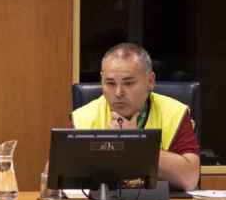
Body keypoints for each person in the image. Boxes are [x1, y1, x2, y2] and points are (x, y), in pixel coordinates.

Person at [71, 43, 200, 191]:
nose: (118, 92)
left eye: (129, 83)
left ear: (150, 81)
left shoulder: (174, 112)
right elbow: (54, 180)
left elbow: (190, 179)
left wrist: (137, 144)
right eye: (110, 83)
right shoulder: (84, 117)